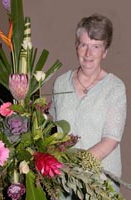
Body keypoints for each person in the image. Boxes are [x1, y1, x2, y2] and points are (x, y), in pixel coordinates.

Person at [49, 13, 127, 198]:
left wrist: (73, 167)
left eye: (96, 46)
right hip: (63, 183)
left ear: (105, 51)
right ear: (77, 46)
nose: (88, 53)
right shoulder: (60, 83)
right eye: (84, 45)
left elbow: (111, 140)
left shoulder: (115, 88)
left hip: (100, 183)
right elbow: (53, 129)